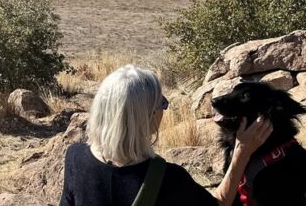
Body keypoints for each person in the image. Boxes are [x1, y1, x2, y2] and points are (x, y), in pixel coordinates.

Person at [60, 65, 272, 206]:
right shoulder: (167, 179)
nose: (164, 109)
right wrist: (242, 152)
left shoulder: (75, 158)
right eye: (162, 103)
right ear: (147, 117)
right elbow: (219, 203)